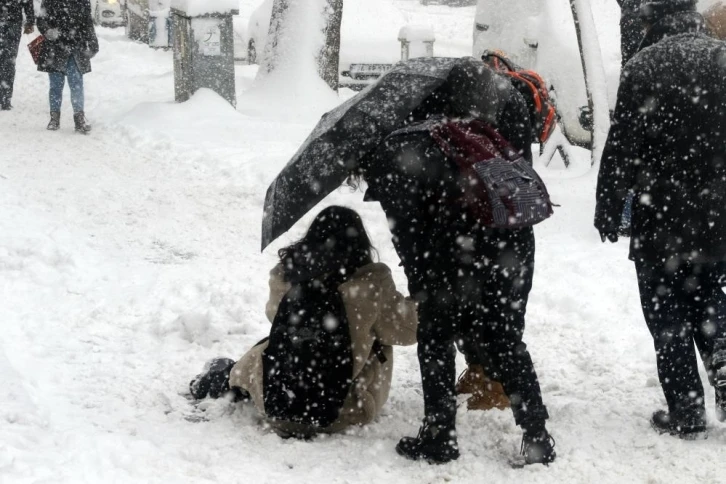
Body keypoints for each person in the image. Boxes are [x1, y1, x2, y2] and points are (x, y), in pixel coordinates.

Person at [357, 56, 556, 465]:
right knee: (505, 337)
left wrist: (420, 277)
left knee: (435, 337)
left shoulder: (400, 144)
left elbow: (406, 227)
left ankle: (439, 434)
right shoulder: (482, 135)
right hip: (506, 249)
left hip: (445, 253)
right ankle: (536, 433)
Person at [595, 0, 726, 438]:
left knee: (667, 311)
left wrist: (608, 208)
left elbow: (621, 147)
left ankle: (687, 411)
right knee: (710, 294)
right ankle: (723, 359)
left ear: (654, 21)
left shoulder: (643, 66)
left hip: (661, 215)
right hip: (718, 212)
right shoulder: (723, 59)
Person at [189, 206, 419, 438]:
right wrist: (417, 294)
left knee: (275, 344)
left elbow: (273, 314)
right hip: (343, 411)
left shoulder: (288, 275)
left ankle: (228, 379)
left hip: (278, 403)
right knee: (379, 334)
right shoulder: (371, 287)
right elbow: (410, 331)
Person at [36, 0, 98, 133]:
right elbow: (41, 20)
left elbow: (87, 22)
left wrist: (93, 43)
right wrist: (48, 31)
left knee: (76, 83)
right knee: (56, 85)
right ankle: (54, 117)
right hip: (54, 48)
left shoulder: (82, 2)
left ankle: (79, 118)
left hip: (75, 47)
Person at [0, 0, 34, 110]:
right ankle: (6, 97)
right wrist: (30, 20)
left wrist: (30, 20)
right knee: (9, 62)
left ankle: (5, 96)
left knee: (8, 62)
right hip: (13, 22)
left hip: (12, 22)